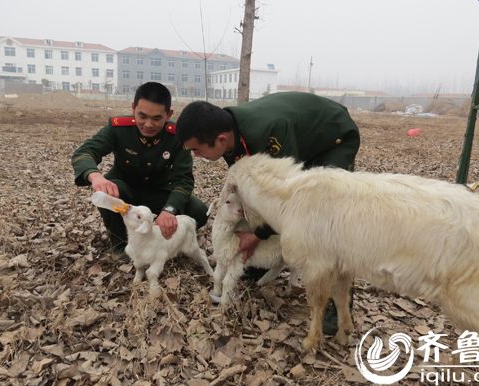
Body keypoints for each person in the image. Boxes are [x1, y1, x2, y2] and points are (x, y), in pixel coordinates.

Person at [175, 91, 360, 335]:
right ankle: (262, 261)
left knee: (324, 218)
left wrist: (258, 235)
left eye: (196, 150)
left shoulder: (269, 135)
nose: (195, 156)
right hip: (297, 138)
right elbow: (252, 192)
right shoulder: (230, 133)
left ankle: (337, 306)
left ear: (220, 140)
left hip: (332, 137)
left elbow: (288, 199)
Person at [71, 82, 208, 256]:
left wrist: (169, 210)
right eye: (142, 116)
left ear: (169, 114)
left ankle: (167, 238)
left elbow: (184, 179)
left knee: (199, 212)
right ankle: (121, 246)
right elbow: (84, 152)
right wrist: (95, 176)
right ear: (133, 108)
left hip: (160, 194)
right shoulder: (119, 128)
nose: (148, 124)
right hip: (125, 194)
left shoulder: (176, 136)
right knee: (111, 192)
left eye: (157, 118)